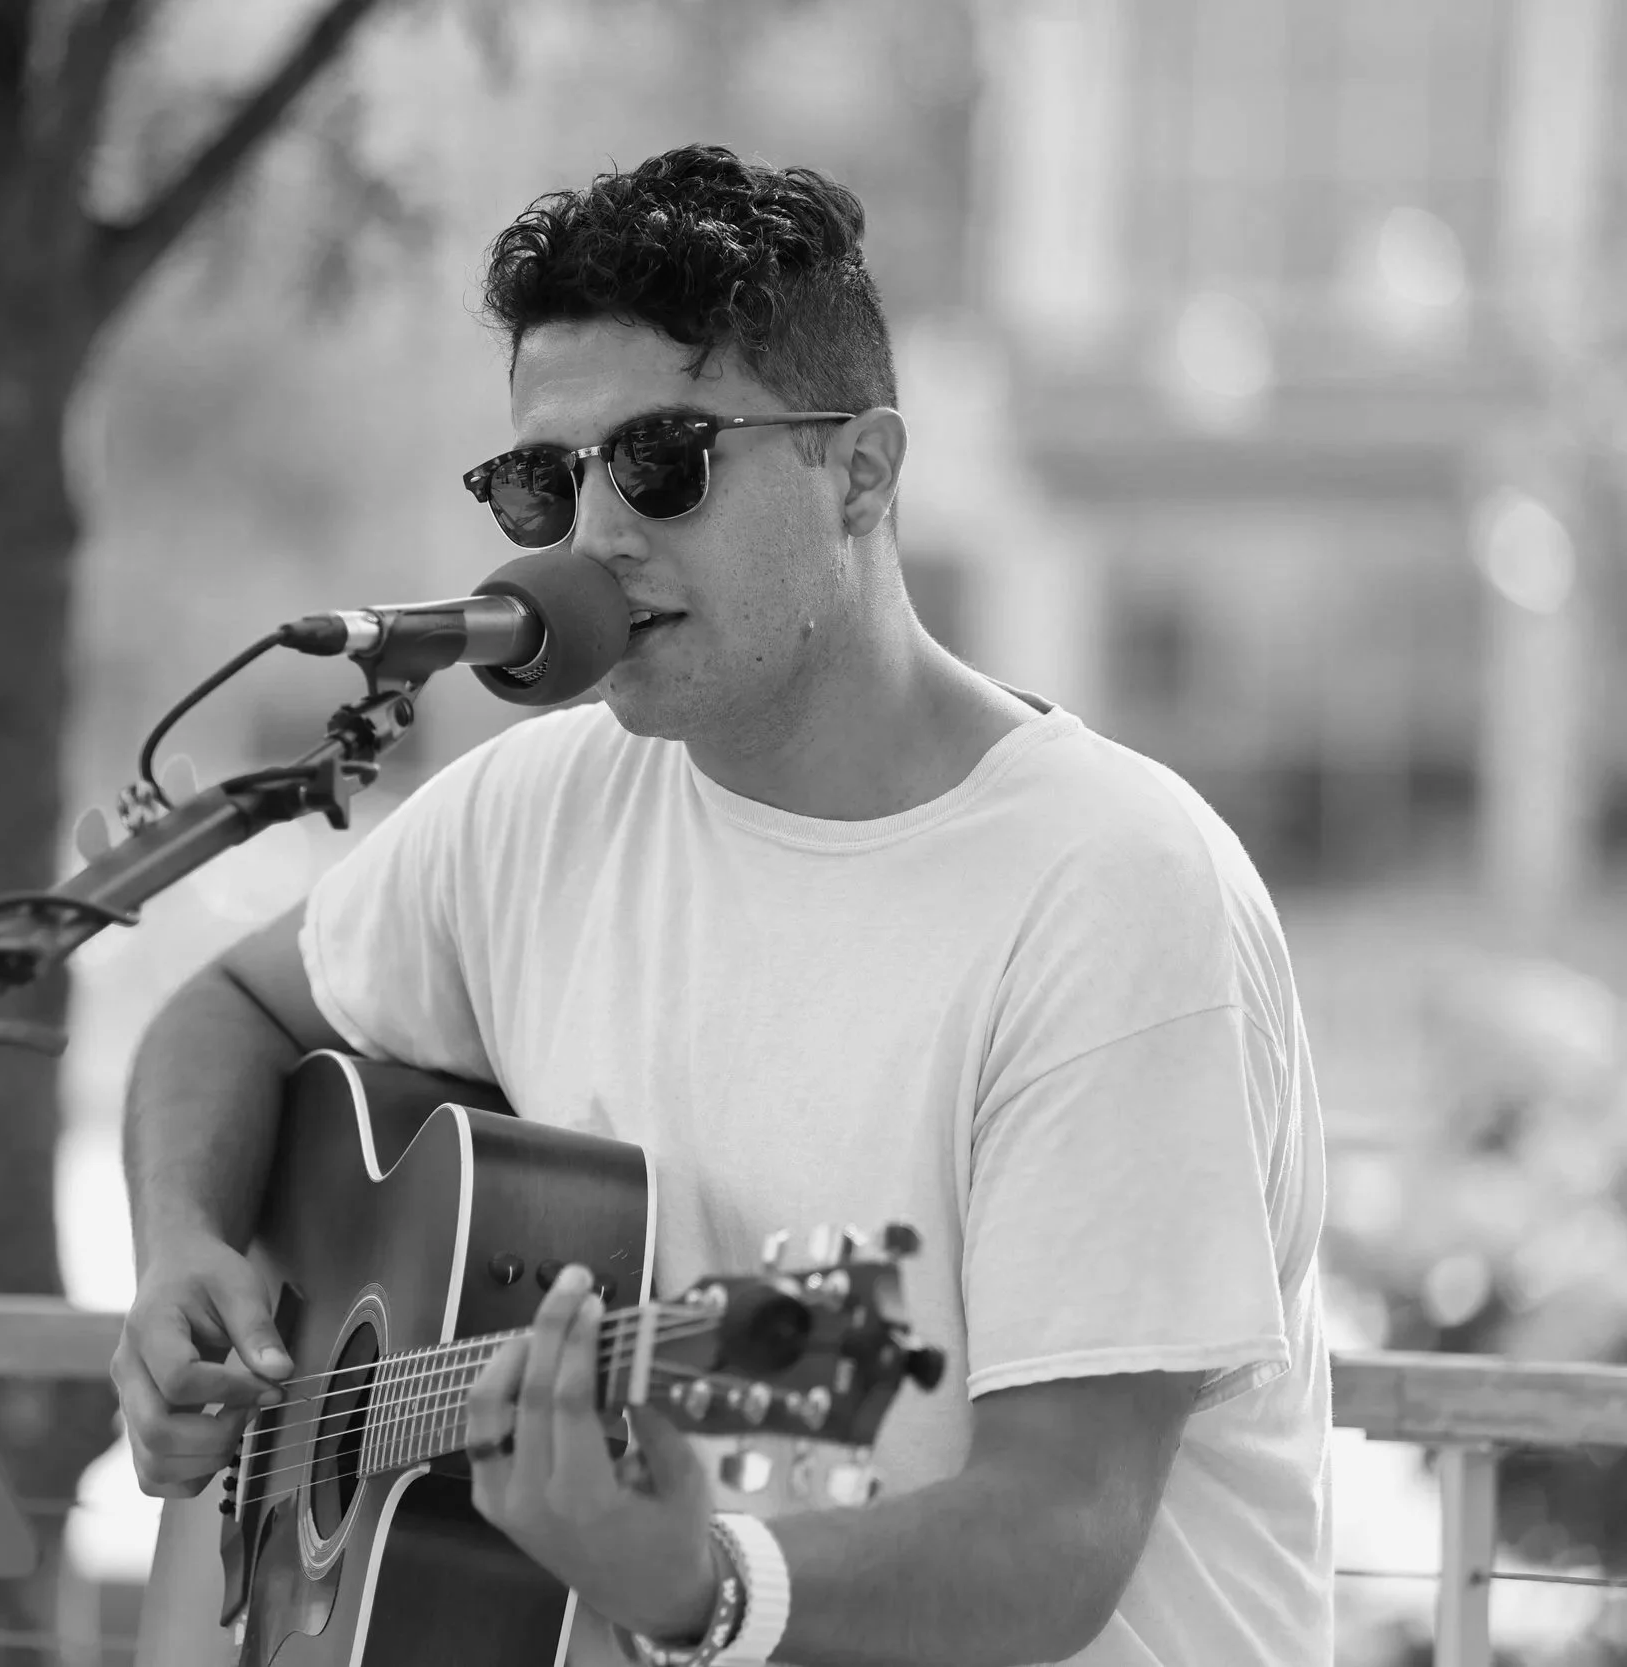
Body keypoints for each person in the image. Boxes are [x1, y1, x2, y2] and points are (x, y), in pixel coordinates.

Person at [114, 144, 1329, 1667]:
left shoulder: (1114, 888)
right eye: (546, 482)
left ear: (865, 471)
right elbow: (223, 1011)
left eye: (666, 461)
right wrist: (183, 1248)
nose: (596, 540)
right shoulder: (530, 810)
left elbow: (1057, 1530)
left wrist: (701, 1583)